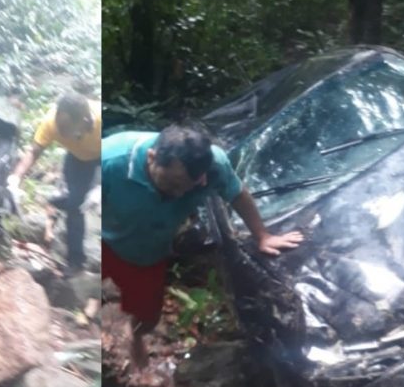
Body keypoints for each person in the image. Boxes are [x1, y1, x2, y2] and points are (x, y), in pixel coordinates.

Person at [102, 125, 304, 370]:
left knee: (147, 316)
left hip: (149, 251)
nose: (179, 194)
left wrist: (262, 235)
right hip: (104, 240)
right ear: (152, 157)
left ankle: (135, 338)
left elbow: (238, 193)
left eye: (188, 186)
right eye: (172, 183)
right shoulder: (110, 159)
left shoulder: (214, 166)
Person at [8, 91, 101, 276]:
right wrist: (15, 178)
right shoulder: (51, 123)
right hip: (75, 158)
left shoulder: (101, 121)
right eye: (60, 128)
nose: (62, 133)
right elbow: (34, 152)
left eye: (67, 130)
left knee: (79, 204)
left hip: (101, 160)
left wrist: (99, 187)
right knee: (76, 203)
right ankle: (75, 259)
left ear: (83, 121)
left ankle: (78, 260)